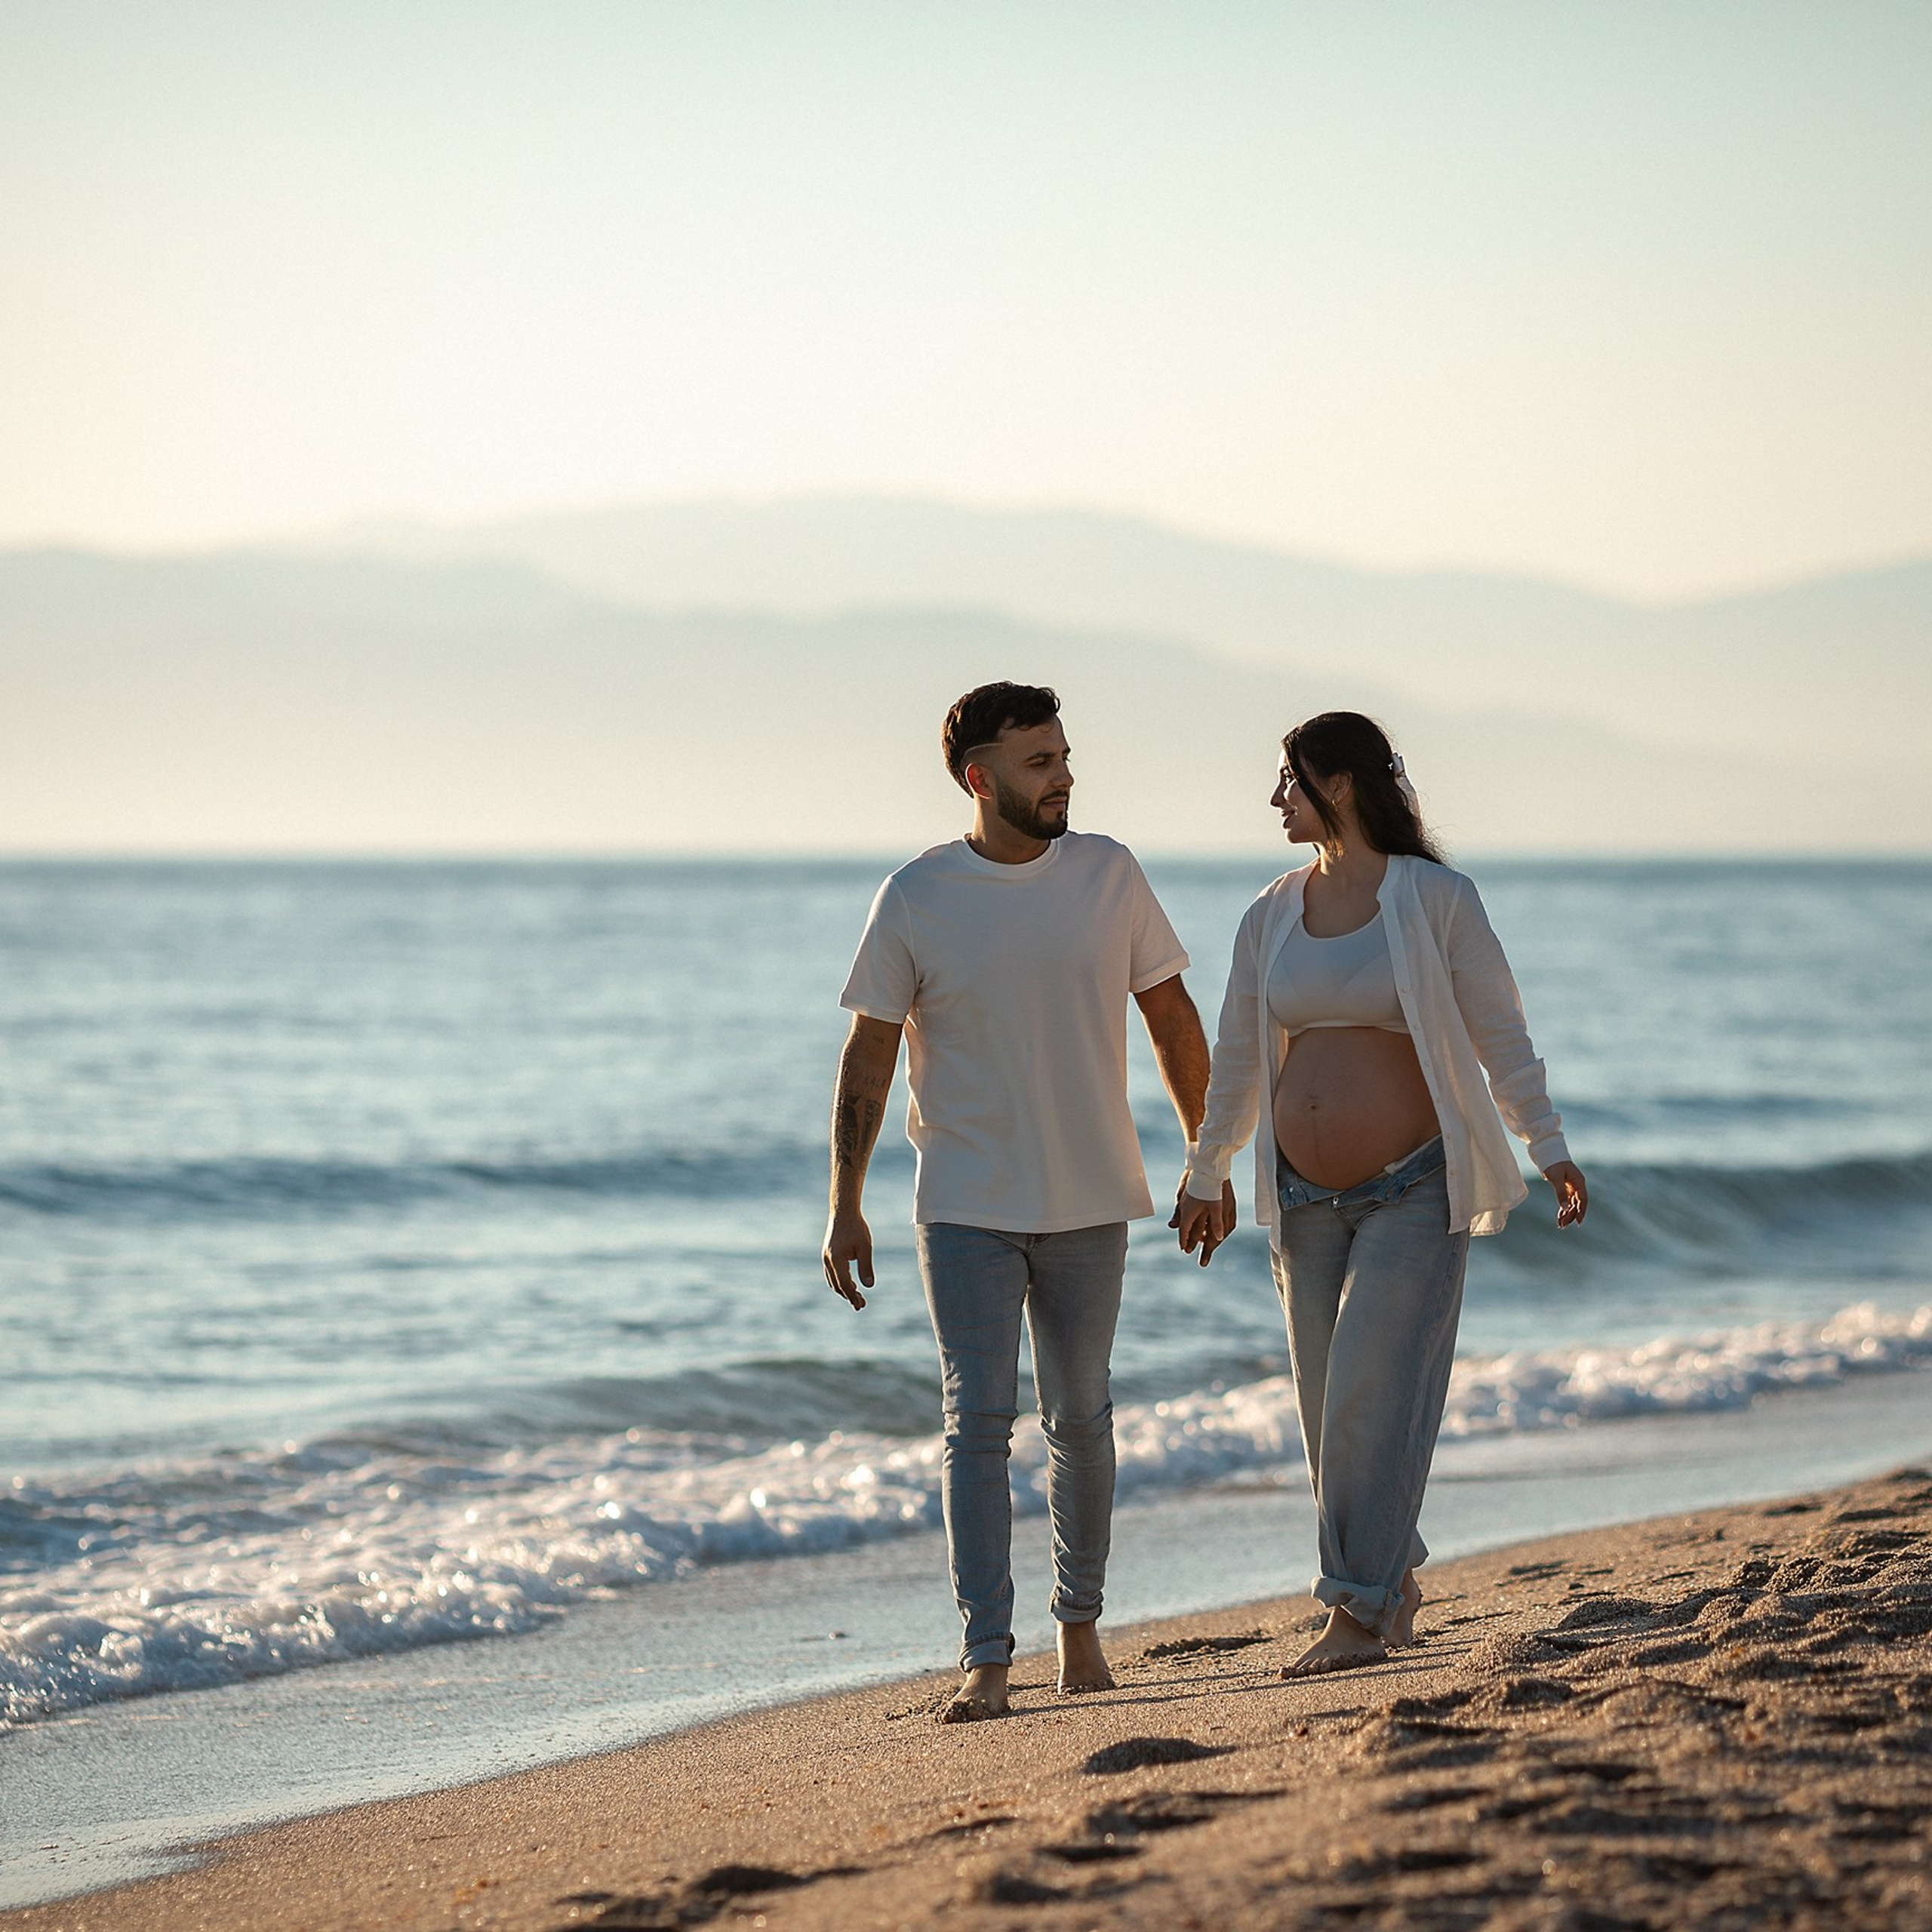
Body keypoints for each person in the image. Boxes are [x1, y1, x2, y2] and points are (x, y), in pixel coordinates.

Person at [825, 681, 1211, 1723]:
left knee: (1080, 1417)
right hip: (963, 1199)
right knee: (977, 1423)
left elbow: (1172, 1016)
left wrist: (1205, 1157)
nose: (1065, 778)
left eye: (1066, 757)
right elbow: (866, 1056)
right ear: (980, 778)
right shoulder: (916, 895)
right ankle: (985, 1657)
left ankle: (1078, 1631)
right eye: (1041, 764)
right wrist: (845, 1204)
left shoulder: (1108, 875)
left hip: (1089, 1192)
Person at [1174, 711, 1587, 1677]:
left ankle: (1353, 1613)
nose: (1275, 798)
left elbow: (1499, 1032)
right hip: (1302, 1196)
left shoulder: (1436, 897)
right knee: (1327, 1413)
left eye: (1289, 779)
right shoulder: (1268, 912)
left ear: (1340, 786)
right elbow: (1238, 1056)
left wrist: (1549, 1146)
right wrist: (1207, 1171)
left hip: (1412, 1185)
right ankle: (1391, 1580)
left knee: (1370, 1389)